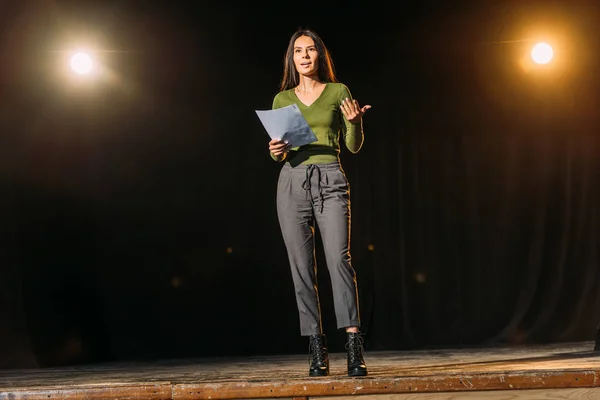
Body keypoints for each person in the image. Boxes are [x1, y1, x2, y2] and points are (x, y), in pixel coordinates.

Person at [268, 28, 371, 377]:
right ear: (292, 58)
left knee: (338, 260)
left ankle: (354, 346)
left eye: (311, 50)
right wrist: (275, 150)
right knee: (301, 267)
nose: (305, 56)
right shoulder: (282, 99)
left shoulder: (338, 91)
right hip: (293, 181)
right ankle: (316, 347)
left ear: (320, 55)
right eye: (298, 51)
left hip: (330, 177)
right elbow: (280, 153)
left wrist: (356, 123)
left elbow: (353, 145)